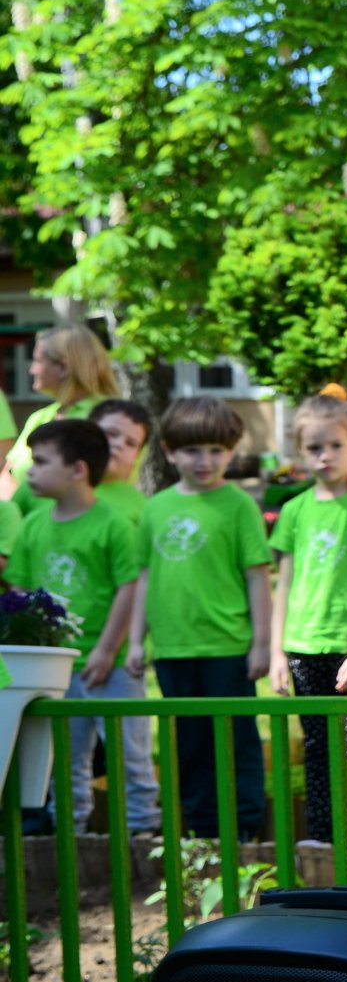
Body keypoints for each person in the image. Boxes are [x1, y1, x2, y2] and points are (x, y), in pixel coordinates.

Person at [126, 396, 272, 840]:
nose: (205, 460)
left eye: (216, 450)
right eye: (192, 450)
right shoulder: (156, 507)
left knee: (237, 743)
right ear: (169, 451)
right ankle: (202, 833)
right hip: (173, 650)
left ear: (230, 452)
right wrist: (136, 641)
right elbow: (145, 578)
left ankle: (246, 832)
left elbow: (257, 578)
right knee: (190, 747)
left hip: (227, 648)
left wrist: (261, 644)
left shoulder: (239, 505)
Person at [6, 419, 157, 835]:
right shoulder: (34, 525)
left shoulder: (111, 524)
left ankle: (141, 838)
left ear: (78, 469)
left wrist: (107, 650)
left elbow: (129, 587)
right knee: (63, 759)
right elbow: (19, 589)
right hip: (56, 667)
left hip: (112, 667)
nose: (29, 471)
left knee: (130, 756)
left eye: (40, 462)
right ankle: (69, 841)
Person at [269, 393, 347, 846]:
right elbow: (283, 584)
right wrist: (277, 652)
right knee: (317, 749)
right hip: (304, 647)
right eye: (314, 447)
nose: (325, 456)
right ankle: (320, 842)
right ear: (300, 450)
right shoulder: (295, 510)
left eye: (335, 446)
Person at [1, 326, 121, 520]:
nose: (31, 369)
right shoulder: (40, 417)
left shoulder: (109, 416)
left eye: (38, 360)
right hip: (31, 532)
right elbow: (8, 472)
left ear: (63, 367)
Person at [88, 399, 153, 525]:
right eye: (111, 434)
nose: (119, 444)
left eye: (131, 443)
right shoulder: (50, 487)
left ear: (137, 455)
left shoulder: (142, 509)